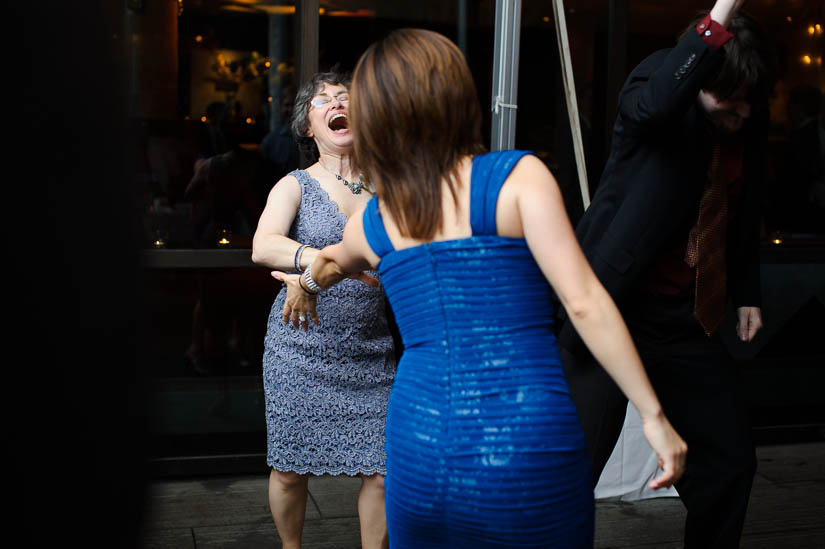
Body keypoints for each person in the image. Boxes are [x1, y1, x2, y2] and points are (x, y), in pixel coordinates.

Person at [272, 29, 686, 547]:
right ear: (455, 97)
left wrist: (304, 282)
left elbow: (329, 263)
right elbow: (583, 301)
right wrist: (653, 414)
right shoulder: (518, 178)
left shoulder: (376, 218)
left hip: (418, 435)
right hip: (523, 432)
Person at [556, 1, 777, 547]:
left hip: (684, 319)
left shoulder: (743, 115)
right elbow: (655, 107)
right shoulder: (658, 85)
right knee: (566, 471)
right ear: (700, 74)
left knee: (729, 465)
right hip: (612, 311)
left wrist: (746, 291)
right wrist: (721, 10)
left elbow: (744, 207)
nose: (743, 113)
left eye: (750, 101)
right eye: (730, 99)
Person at [251, 71, 396, 549]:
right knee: (291, 470)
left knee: (381, 471)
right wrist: (319, 264)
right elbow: (263, 246)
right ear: (308, 128)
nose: (337, 103)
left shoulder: (389, 187)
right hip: (299, 347)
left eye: (346, 98)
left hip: (371, 351)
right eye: (323, 101)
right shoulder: (294, 184)